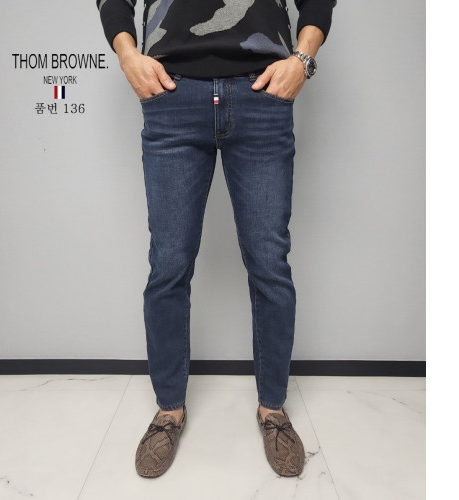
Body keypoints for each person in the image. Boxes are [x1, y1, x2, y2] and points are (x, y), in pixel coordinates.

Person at [96, 0, 336, 478]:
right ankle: (168, 411)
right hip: (172, 94)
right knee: (169, 263)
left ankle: (273, 410)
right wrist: (127, 56)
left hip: (262, 93)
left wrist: (302, 60)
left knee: (270, 263)